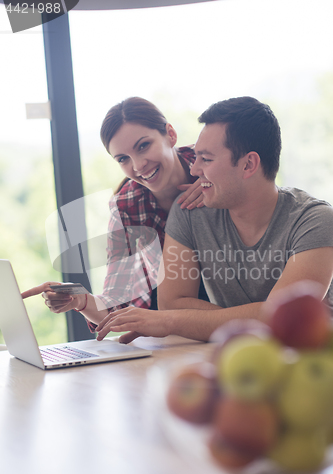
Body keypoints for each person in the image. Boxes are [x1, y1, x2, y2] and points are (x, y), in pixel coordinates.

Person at [94, 96, 333, 344]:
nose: (194, 171)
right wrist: (258, 318)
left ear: (249, 164)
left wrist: (171, 321)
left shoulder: (315, 220)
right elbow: (170, 303)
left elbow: (285, 320)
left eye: (206, 159)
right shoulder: (188, 211)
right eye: (195, 157)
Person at [22, 97, 208, 325]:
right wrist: (80, 301)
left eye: (143, 146)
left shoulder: (212, 167)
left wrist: (218, 186)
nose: (138, 166)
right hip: (178, 320)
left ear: (170, 134)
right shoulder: (128, 205)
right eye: (123, 159)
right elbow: (118, 301)